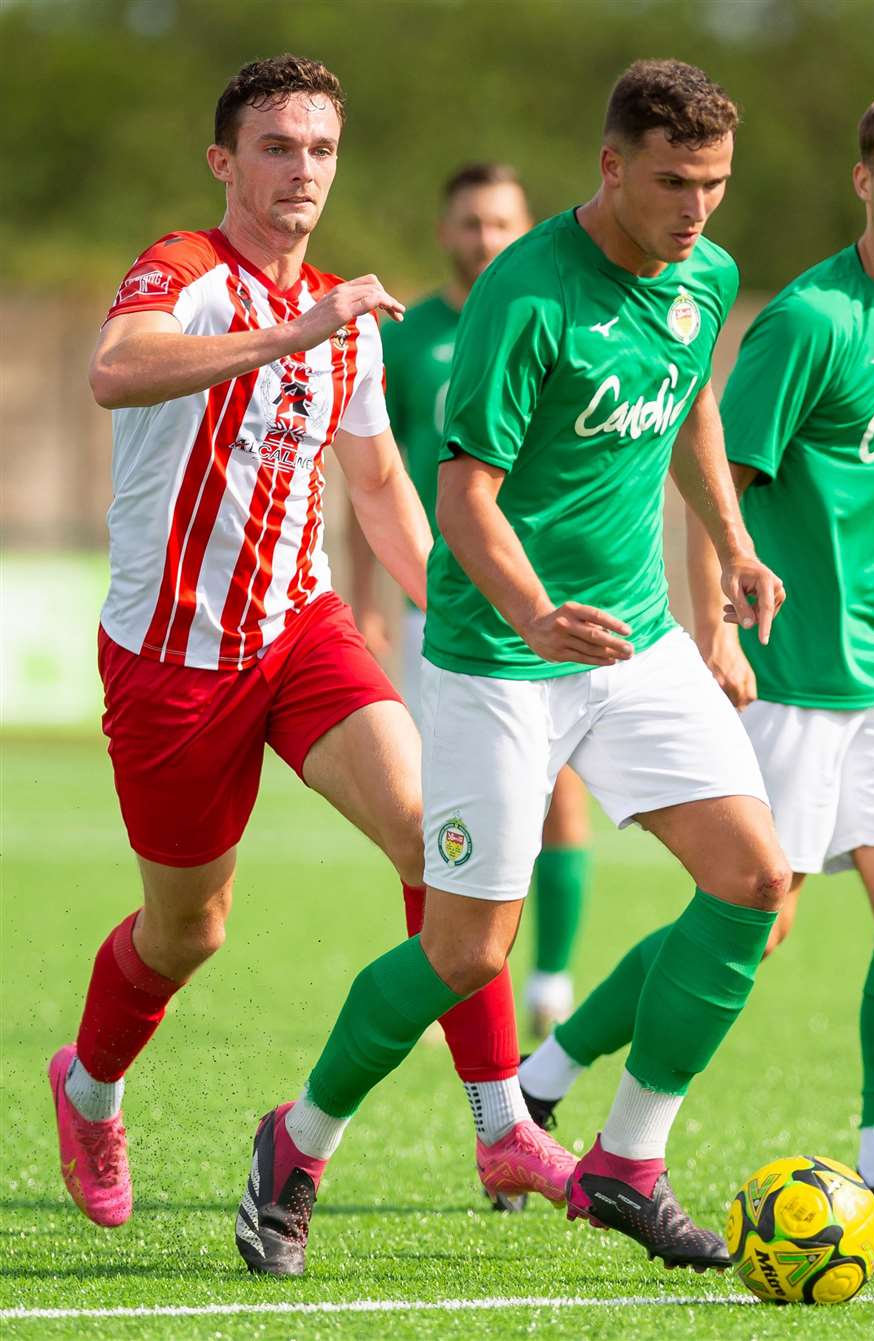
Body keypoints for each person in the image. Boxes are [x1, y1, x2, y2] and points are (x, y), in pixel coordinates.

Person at [237, 57, 791, 1279]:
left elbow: (692, 403)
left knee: (755, 886)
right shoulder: (525, 296)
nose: (697, 209)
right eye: (671, 182)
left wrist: (734, 546)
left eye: (714, 183)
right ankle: (298, 1141)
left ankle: (627, 1163)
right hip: (496, 655)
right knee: (464, 953)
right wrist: (536, 614)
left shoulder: (705, 272)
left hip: (635, 643)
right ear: (611, 167)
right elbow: (464, 499)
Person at [46, 53, 554, 1236]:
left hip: (301, 632)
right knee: (190, 931)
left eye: (321, 150)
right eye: (277, 147)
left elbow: (378, 487)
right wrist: (293, 331)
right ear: (225, 161)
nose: (302, 171)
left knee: (441, 844)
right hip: (173, 658)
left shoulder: (347, 321)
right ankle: (89, 1088)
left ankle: (500, 1128)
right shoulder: (187, 270)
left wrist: (469, 616)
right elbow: (115, 369)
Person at [519, 90, 874, 1223]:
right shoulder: (811, 322)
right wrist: (714, 633)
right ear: (864, 182)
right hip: (788, 675)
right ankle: (543, 1085)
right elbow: (711, 484)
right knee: (752, 914)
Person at [350, 163, 592, 1037]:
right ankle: (454, 971)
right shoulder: (411, 342)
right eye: (470, 224)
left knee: (561, 795)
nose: (486, 239)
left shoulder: (561, 314)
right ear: (445, 231)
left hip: (545, 598)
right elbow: (375, 476)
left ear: (528, 228)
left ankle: (551, 981)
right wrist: (369, 597)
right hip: (440, 608)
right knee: (451, 812)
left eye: (501, 224)